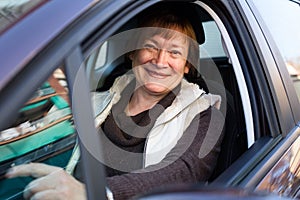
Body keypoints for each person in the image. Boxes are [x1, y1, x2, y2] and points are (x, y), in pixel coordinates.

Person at [5, 4, 225, 200]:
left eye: (174, 52)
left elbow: (182, 172)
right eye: (151, 47)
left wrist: (98, 192)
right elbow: (41, 134)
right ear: (133, 53)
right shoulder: (95, 100)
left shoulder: (205, 114)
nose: (160, 61)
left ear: (187, 64)